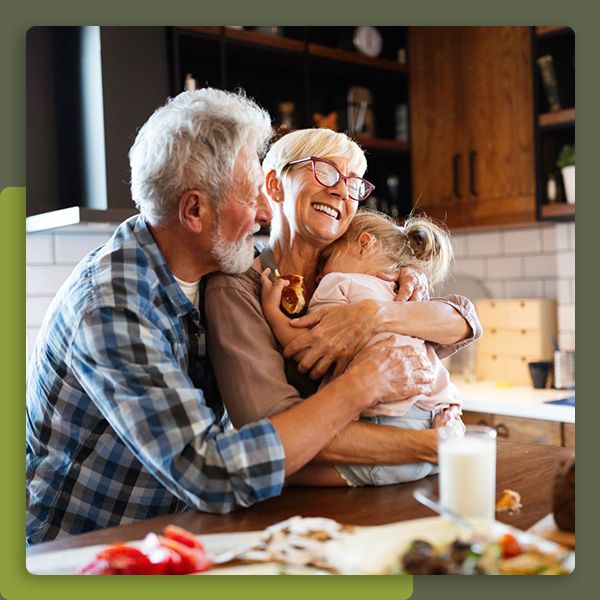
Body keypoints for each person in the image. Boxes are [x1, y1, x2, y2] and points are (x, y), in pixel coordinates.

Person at [26, 90, 433, 544]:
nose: (264, 212)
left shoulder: (214, 264)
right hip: (85, 552)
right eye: (250, 195)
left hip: (172, 537)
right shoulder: (113, 305)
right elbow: (211, 474)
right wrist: (363, 386)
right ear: (195, 211)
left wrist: (393, 291)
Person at [204, 128, 482, 476]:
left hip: (402, 483)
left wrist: (376, 314)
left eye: (353, 182)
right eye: (325, 169)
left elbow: (464, 322)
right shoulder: (236, 289)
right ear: (274, 185)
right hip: (306, 505)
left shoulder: (360, 269)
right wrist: (430, 447)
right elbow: (272, 431)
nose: (340, 189)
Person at [261, 209, 464, 486]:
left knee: (278, 476)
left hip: (388, 434)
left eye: (326, 260)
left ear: (364, 243)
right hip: (441, 425)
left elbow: (304, 346)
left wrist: (271, 311)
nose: (318, 275)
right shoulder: (409, 293)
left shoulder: (338, 283)